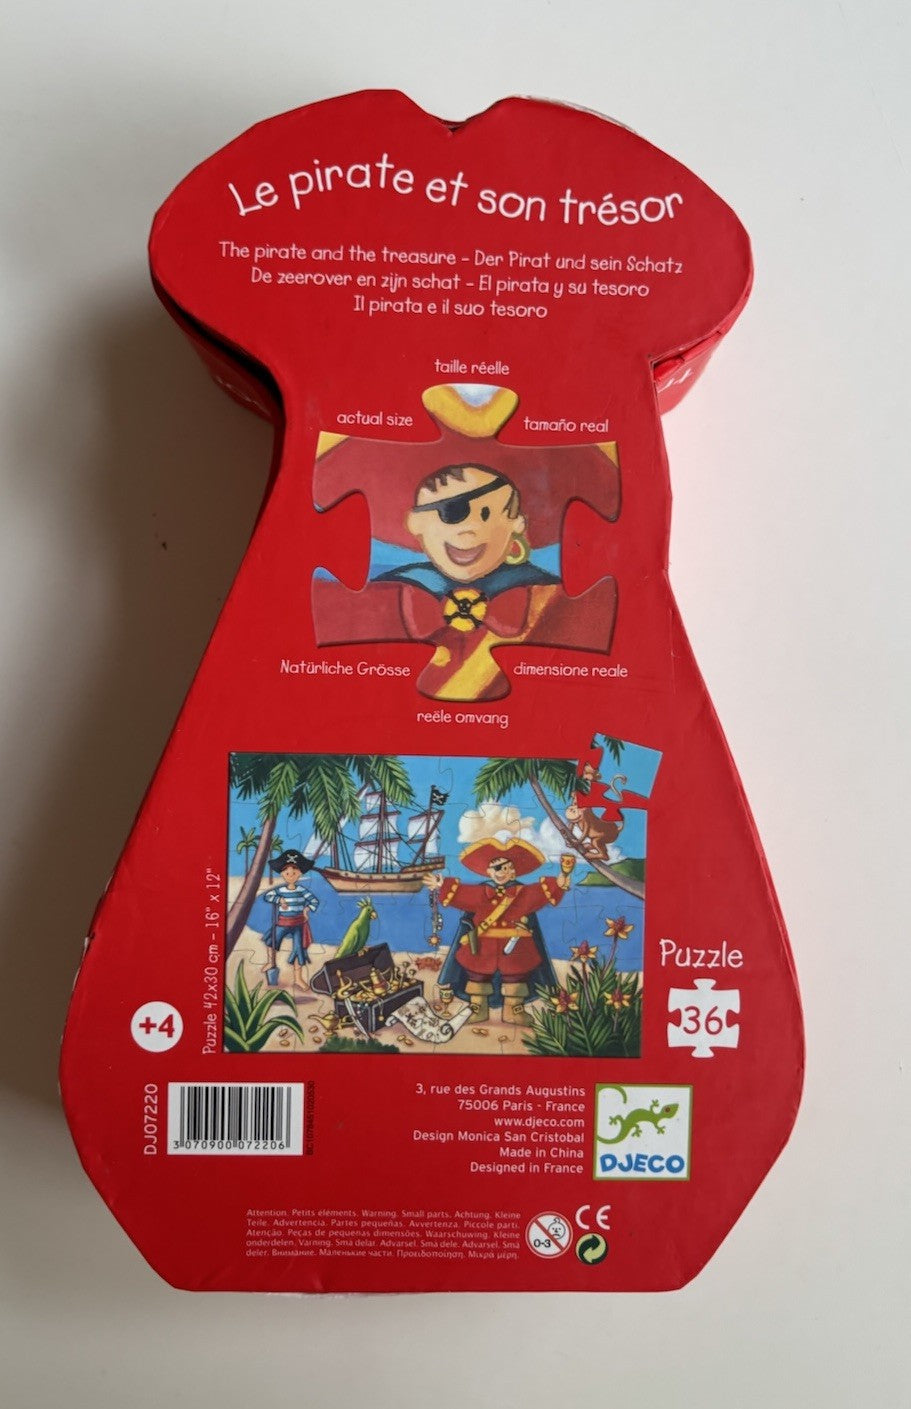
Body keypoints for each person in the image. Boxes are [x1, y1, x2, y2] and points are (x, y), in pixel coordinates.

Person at [312, 405, 620, 702]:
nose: (469, 531)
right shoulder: (386, 594)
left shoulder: (552, 597)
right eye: (450, 514)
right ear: (415, 523)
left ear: (517, 524)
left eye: (486, 514)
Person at [424, 838, 575, 1026]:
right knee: (477, 976)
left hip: (516, 946)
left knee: (516, 977)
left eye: (506, 867)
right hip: (482, 946)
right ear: (488, 872)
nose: (501, 872)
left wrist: (562, 878)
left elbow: (542, 892)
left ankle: (514, 1011)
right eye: (496, 868)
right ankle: (478, 1010)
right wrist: (442, 885)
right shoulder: (481, 893)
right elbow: (462, 893)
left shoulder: (522, 893)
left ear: (513, 871)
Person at [262, 849, 319, 987]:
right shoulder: (280, 890)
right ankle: (270, 962)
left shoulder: (302, 890)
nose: (290, 875)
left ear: (300, 874)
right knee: (271, 942)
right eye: (287, 873)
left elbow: (314, 901)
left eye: (294, 873)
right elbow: (267, 896)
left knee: (299, 950)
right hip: (283, 922)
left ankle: (298, 978)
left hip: (299, 924)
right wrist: (279, 899)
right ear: (282, 874)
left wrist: (306, 910)